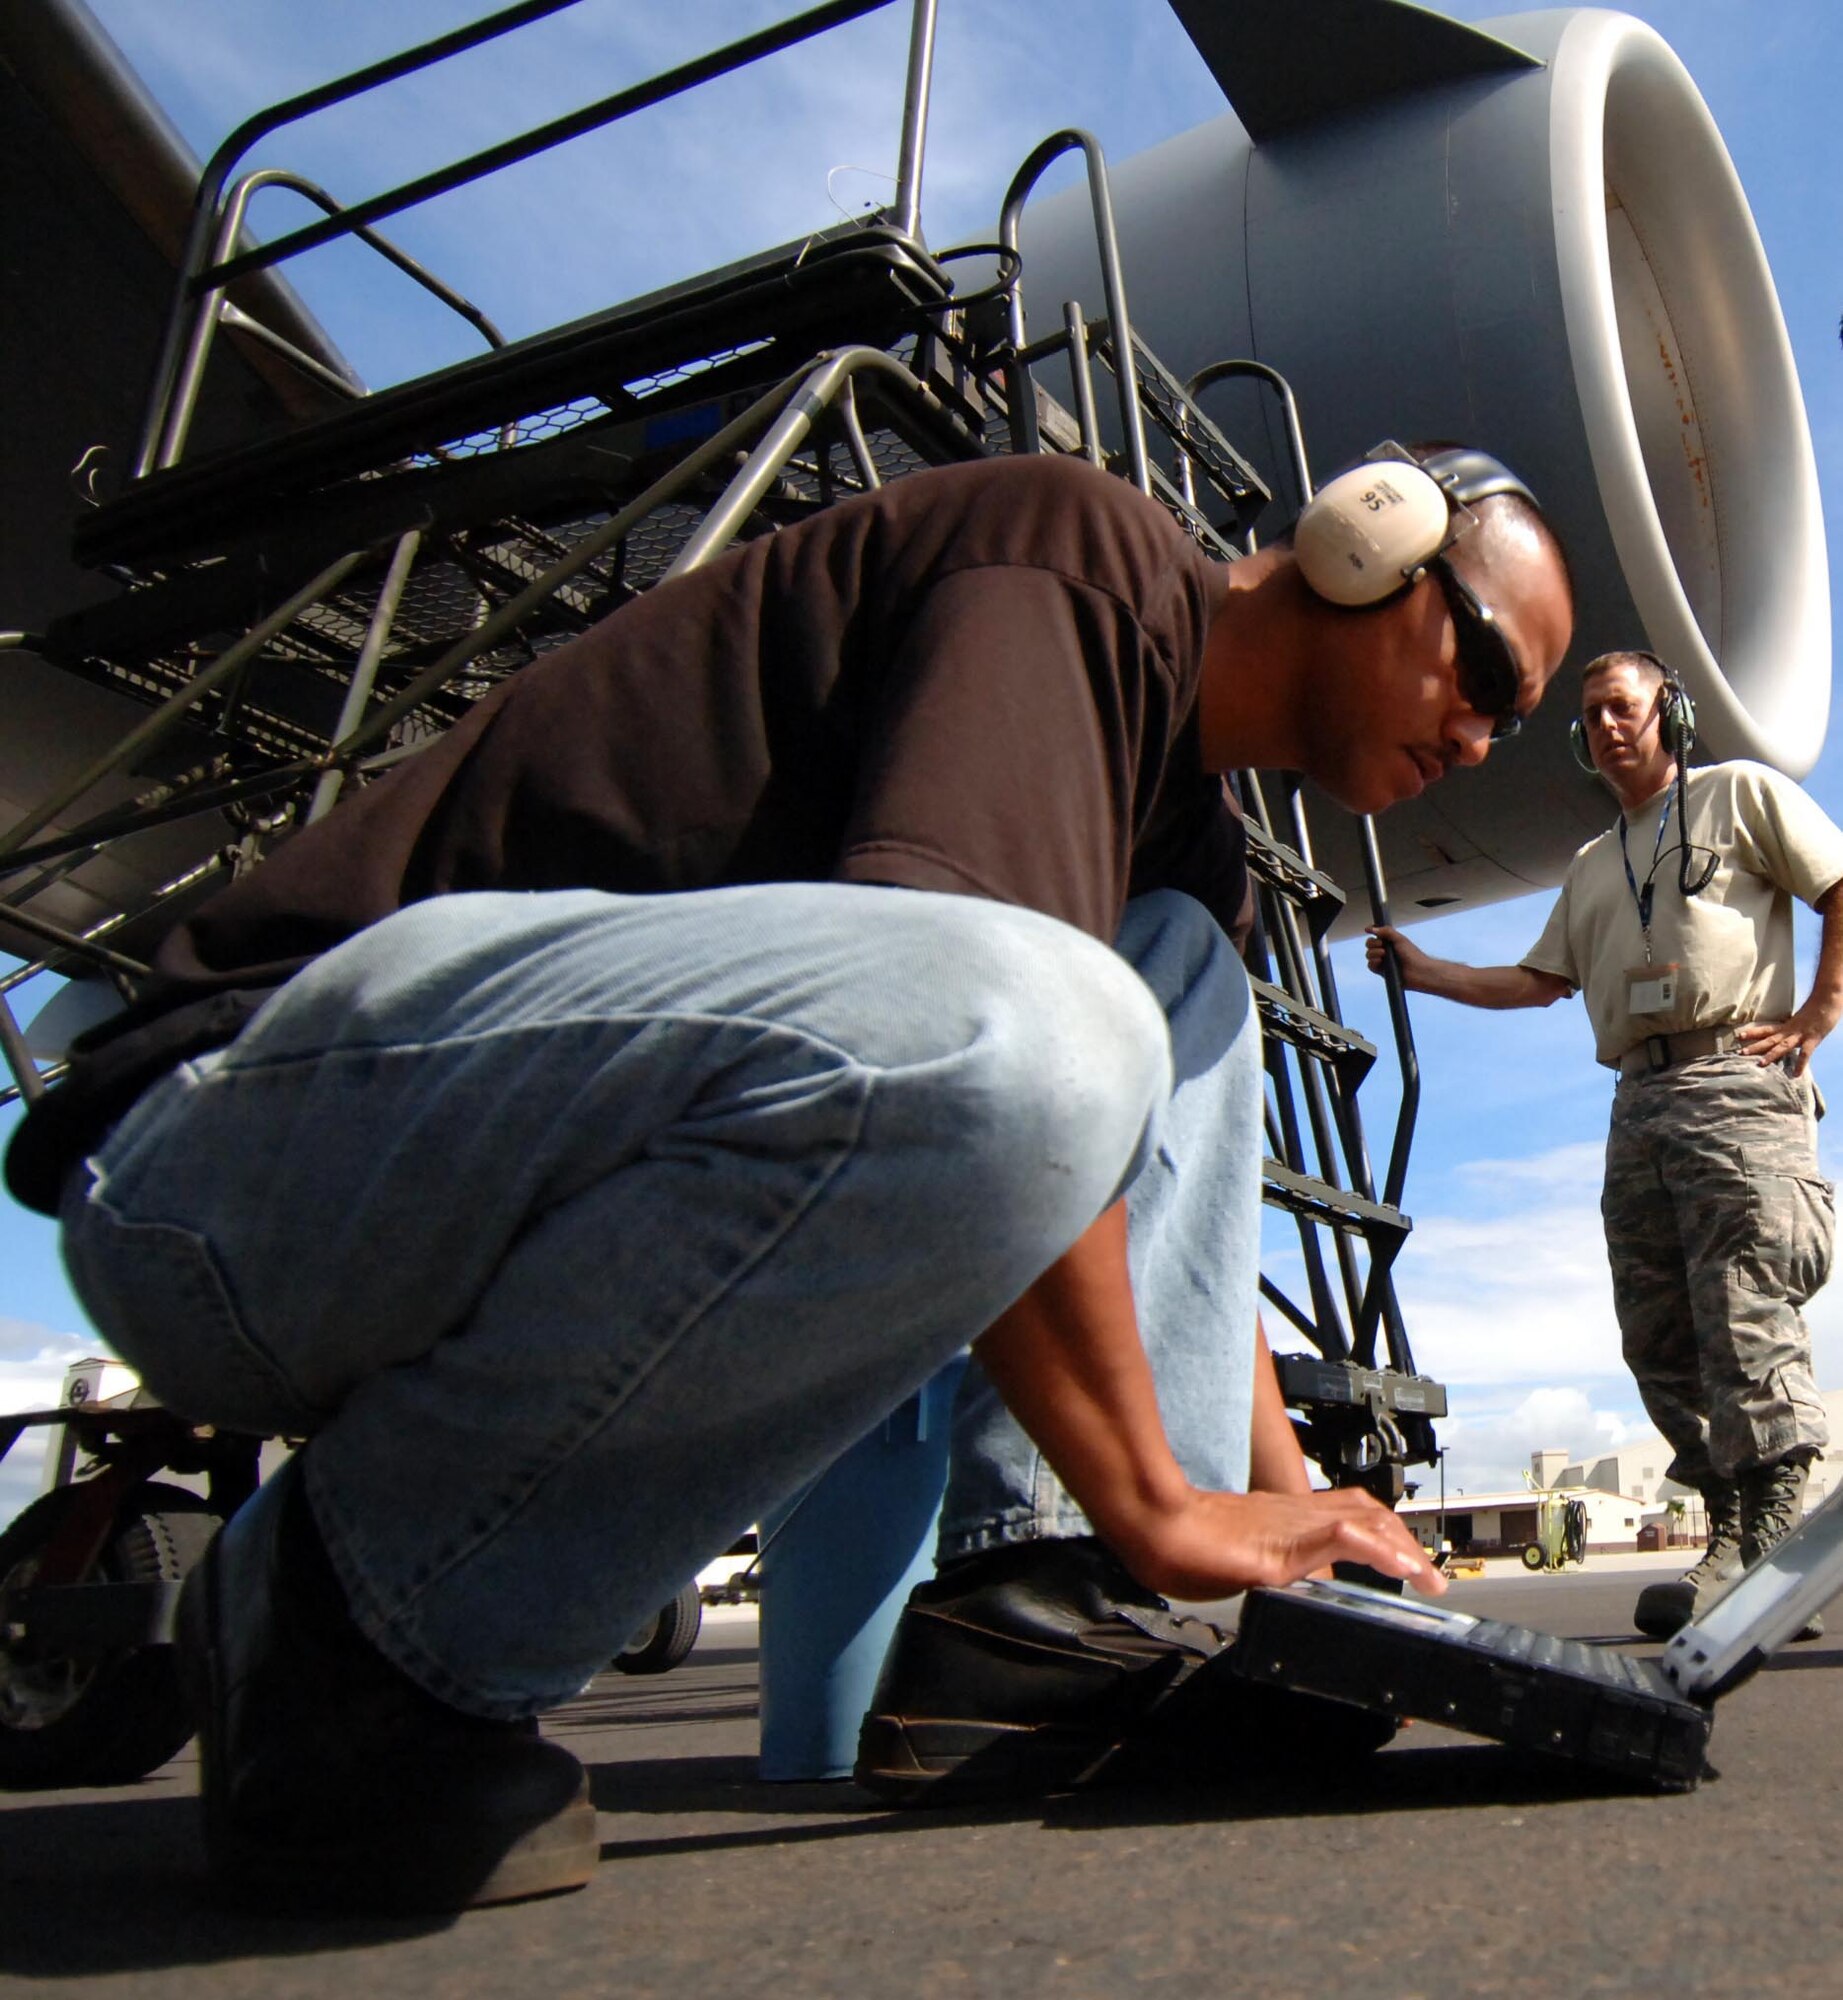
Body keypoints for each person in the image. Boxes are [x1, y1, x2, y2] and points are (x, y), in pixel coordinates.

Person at [6, 446, 1573, 1914]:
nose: (1481, 738)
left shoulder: (1185, 847)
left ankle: (1034, 1614)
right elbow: (995, 1062)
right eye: (1488, 671)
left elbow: (1181, 1231)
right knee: (1048, 1020)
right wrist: (1162, 1508)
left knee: (1181, 990)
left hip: (469, 1183)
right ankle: (352, 1622)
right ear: (1369, 544)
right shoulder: (1079, 550)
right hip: (240, 1155)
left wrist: (1307, 1552)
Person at [1366, 648, 1843, 1640]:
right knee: (1657, 1327)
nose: (1605, 726)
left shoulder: (1739, 794)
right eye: (1589, 715)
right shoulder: (1591, 866)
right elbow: (1537, 981)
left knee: (1744, 1305)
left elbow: (1838, 884)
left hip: (1732, 1078)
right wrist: (1423, 970)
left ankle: (1769, 1534)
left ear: (1668, 709)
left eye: (1622, 706)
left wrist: (1816, 1012)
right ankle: (1733, 1526)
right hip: (1637, 1097)